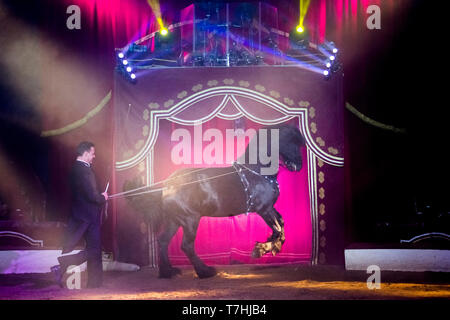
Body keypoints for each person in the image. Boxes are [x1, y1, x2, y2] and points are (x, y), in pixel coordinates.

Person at [51, 141, 108, 288]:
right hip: (88, 215)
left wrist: (99, 196)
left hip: (83, 214)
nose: (94, 156)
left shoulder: (77, 168)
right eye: (93, 153)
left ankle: (94, 283)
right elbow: (91, 195)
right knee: (94, 250)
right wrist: (103, 197)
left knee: (94, 249)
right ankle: (63, 264)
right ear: (86, 153)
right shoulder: (83, 170)